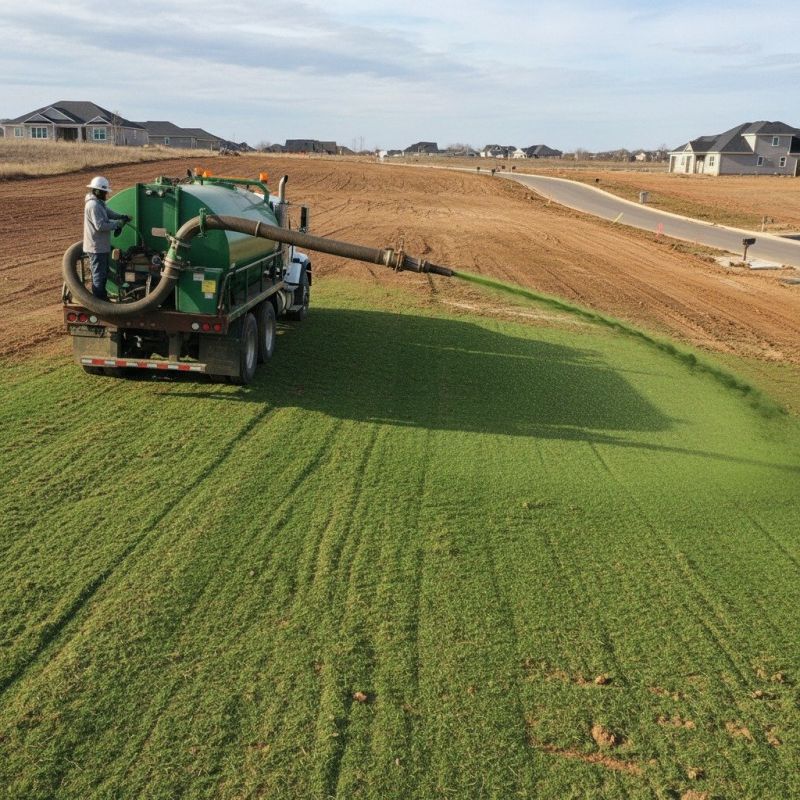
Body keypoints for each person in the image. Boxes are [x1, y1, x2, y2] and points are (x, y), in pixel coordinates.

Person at [83, 176, 130, 300]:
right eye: (104, 192)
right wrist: (117, 224)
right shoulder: (93, 205)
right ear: (96, 191)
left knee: (103, 273)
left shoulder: (99, 203)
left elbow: (108, 213)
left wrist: (121, 216)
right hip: (96, 247)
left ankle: (102, 299)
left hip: (100, 245)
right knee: (99, 275)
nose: (106, 194)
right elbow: (100, 226)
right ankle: (99, 302)